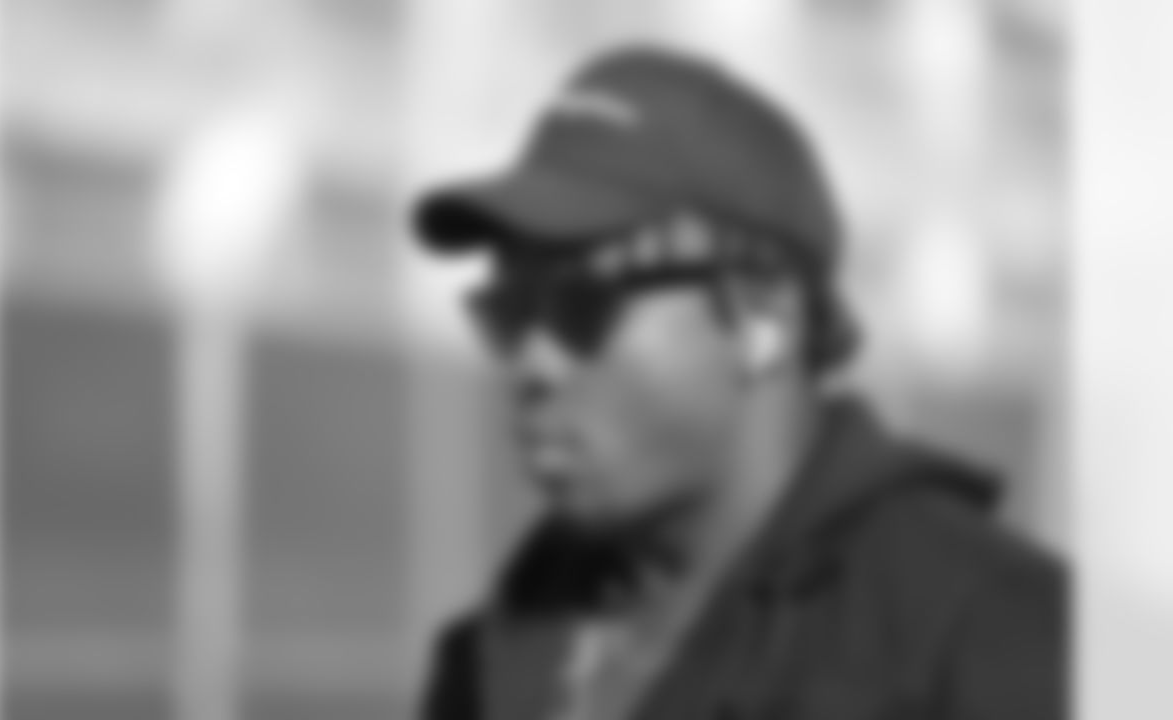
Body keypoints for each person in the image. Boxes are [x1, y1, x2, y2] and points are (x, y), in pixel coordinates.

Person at [409, 45, 1065, 720]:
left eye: (582, 305)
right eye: (508, 310)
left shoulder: (998, 639)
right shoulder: (489, 664)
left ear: (763, 317)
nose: (532, 364)